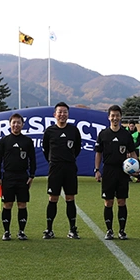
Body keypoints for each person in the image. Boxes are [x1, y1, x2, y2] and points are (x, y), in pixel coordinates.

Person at [94, 105, 137, 240]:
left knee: (121, 201)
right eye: (112, 115)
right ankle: (109, 230)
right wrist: (97, 170)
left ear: (121, 117)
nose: (115, 118)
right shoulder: (103, 134)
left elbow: (132, 153)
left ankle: (122, 231)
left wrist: (136, 167)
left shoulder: (126, 135)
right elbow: (98, 153)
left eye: (117, 115)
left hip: (122, 172)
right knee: (108, 202)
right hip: (108, 171)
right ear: (109, 117)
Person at [42, 101, 82, 239]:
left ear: (68, 114)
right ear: (55, 114)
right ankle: (49, 229)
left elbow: (77, 149)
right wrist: (54, 161)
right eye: (60, 112)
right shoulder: (49, 131)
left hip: (70, 168)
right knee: (53, 198)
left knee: (70, 198)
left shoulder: (74, 130)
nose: (62, 114)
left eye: (65, 112)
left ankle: (72, 229)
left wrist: (68, 159)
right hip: (55, 168)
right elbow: (46, 150)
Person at [0, 112, 37, 240]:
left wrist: (32, 175)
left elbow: (33, 159)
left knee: (22, 204)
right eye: (14, 123)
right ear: (10, 124)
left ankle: (21, 232)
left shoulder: (27, 141)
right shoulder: (4, 140)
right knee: (7, 204)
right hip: (8, 177)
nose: (16, 125)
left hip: (22, 177)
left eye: (18, 122)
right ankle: (6, 232)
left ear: (22, 125)